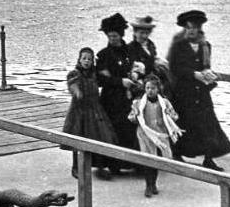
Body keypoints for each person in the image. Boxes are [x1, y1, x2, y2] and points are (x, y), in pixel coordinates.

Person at [167, 10, 230, 171]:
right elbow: (174, 68)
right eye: (188, 27)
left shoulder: (206, 46)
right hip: (183, 92)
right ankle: (177, 154)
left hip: (201, 93)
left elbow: (206, 66)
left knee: (208, 124)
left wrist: (208, 74)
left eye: (194, 27)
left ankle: (209, 159)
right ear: (184, 29)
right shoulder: (178, 46)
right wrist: (193, 74)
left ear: (199, 28)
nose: (191, 30)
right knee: (182, 123)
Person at [62, 47, 118, 179]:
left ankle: (99, 167)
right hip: (79, 111)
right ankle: (76, 167)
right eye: (84, 58)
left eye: (89, 59)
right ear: (79, 60)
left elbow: (104, 78)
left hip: (94, 109)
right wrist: (77, 92)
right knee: (77, 137)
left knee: (99, 136)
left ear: (93, 61)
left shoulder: (94, 74)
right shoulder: (75, 73)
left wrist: (108, 73)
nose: (86, 61)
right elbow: (72, 84)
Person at [96, 12, 140, 166]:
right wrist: (121, 81)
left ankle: (130, 163)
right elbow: (101, 79)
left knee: (129, 129)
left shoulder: (130, 51)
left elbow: (136, 65)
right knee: (113, 130)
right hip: (111, 99)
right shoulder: (103, 55)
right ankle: (112, 164)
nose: (112, 39)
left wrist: (135, 74)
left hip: (128, 98)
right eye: (110, 36)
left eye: (115, 36)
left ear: (121, 35)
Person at [128, 75, 183, 196]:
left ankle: (153, 183)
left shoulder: (164, 102)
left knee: (157, 160)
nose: (150, 91)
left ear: (158, 89)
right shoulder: (139, 103)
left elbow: (175, 116)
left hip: (159, 133)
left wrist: (170, 115)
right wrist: (135, 115)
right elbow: (131, 117)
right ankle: (148, 185)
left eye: (153, 88)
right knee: (148, 159)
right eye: (147, 88)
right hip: (145, 134)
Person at [127, 16, 171, 95]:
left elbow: (153, 60)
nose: (144, 36)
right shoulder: (130, 48)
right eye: (141, 33)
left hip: (154, 78)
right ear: (135, 32)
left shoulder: (150, 45)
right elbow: (131, 68)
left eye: (146, 33)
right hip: (141, 83)